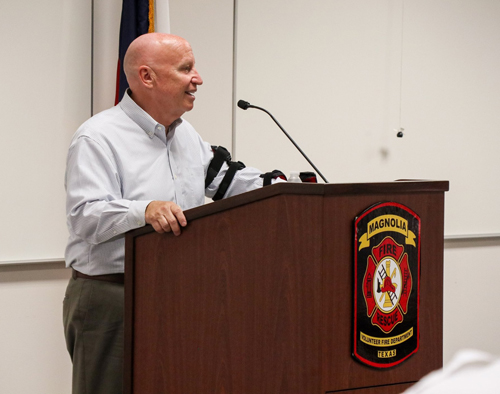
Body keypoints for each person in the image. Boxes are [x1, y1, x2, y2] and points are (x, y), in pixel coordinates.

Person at [63, 32, 284, 394]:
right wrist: (145, 210)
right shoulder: (98, 137)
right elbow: (85, 215)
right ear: (147, 77)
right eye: (186, 69)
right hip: (112, 297)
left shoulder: (185, 135)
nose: (198, 78)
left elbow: (225, 180)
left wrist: (283, 185)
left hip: (180, 291)